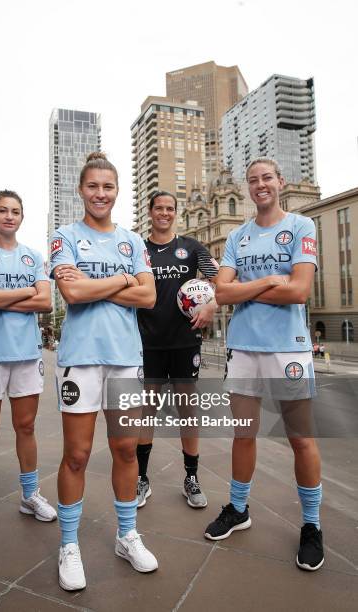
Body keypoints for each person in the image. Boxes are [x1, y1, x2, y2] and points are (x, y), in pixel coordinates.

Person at [205, 158, 324, 572]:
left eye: (267, 178)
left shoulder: (301, 227)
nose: (260, 185)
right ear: (247, 187)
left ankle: (312, 524)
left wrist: (246, 290)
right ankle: (239, 508)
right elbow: (221, 293)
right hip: (244, 347)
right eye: (253, 180)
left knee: (301, 439)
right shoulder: (237, 235)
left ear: (280, 182)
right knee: (244, 434)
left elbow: (300, 291)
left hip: (287, 349)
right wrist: (271, 281)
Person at [51, 152, 158, 591]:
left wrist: (106, 287)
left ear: (117, 191)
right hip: (80, 358)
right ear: (81, 190)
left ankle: (127, 534)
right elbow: (72, 293)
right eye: (93, 186)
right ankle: (68, 544)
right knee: (76, 455)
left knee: (128, 453)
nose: (100, 193)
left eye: (108, 187)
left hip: (125, 358)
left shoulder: (133, 241)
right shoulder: (64, 236)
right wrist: (124, 282)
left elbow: (149, 297)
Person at [0, 189, 56, 546]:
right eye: (3, 210)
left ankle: (29, 495)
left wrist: (0, 298)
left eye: (15, 211)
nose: (9, 216)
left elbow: (46, 301)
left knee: (26, 426)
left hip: (27, 354)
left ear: (21, 216)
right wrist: (24, 294)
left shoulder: (33, 256)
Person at [136, 190, 219, 509]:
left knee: (188, 410)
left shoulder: (192, 247)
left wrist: (211, 302)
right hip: (148, 341)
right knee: (148, 412)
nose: (165, 213)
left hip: (186, 341)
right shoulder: (139, 250)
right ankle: (142, 478)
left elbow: (218, 279)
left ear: (175, 213)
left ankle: (191, 477)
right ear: (150, 210)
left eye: (170, 209)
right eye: (159, 208)